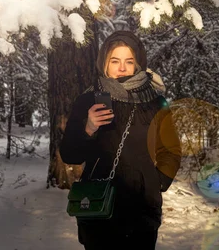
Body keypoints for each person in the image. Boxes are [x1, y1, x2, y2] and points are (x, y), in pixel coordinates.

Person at [60, 30, 181, 250]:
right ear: (104, 63)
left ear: (138, 64)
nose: (122, 68)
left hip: (142, 209)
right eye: (115, 61)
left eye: (129, 61)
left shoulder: (155, 103)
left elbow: (170, 150)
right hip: (98, 206)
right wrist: (89, 127)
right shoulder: (87, 100)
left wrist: (156, 182)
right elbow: (70, 154)